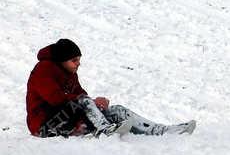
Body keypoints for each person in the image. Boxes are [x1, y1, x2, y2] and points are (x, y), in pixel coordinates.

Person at [26, 38, 196, 138]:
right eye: (74, 60)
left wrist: (96, 105)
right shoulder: (44, 70)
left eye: (78, 59)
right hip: (44, 126)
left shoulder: (69, 72)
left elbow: (79, 93)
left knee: (118, 111)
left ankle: (160, 131)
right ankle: (105, 131)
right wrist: (88, 102)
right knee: (84, 101)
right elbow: (55, 98)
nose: (78, 63)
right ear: (62, 60)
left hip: (67, 120)